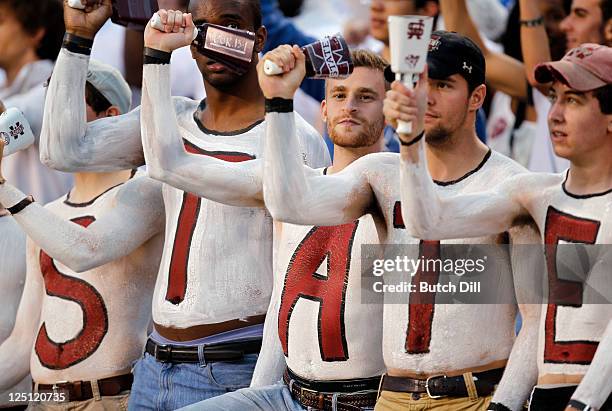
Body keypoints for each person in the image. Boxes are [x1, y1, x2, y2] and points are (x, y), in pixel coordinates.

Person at [39, 1, 329, 409]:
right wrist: (78, 36)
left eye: (231, 25)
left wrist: (259, 392)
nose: (217, 42)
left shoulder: (293, 138)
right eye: (204, 29)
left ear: (260, 37)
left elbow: (299, 282)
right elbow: (62, 150)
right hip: (153, 365)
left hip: (235, 367)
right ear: (191, 43)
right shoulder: (172, 117)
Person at [252, 30, 541, 411]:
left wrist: (503, 407)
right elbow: (291, 205)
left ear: (477, 97)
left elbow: (540, 319)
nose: (426, 98)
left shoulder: (514, 185)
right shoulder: (381, 173)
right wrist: (278, 101)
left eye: (442, 84)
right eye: (417, 84)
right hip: (391, 396)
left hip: (474, 396)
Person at [139, 16, 388, 404]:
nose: (350, 107)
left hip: (368, 396)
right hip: (286, 391)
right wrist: (156, 55)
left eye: (366, 97)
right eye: (339, 95)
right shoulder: (290, 184)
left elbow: (460, 289)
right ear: (322, 109)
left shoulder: (397, 190)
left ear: (392, 110)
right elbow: (168, 164)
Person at [391, 43, 612, 410]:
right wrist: (410, 141)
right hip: (545, 394)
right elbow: (427, 221)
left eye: (573, 101)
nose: (554, 114)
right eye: (554, 98)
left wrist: (583, 404)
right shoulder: (533, 194)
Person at [0, 60, 163, 410]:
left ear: (109, 116)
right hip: (38, 399)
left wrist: (2, 189)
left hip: (111, 398)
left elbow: (86, 249)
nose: (53, 122)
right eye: (51, 108)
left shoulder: (144, 191)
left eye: (67, 107)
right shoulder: (47, 212)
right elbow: (20, 345)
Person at [0, 0, 71, 204]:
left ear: (35, 32)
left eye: (0, 21)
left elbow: (10, 122)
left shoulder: (55, 89)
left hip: (44, 230)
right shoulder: (8, 91)